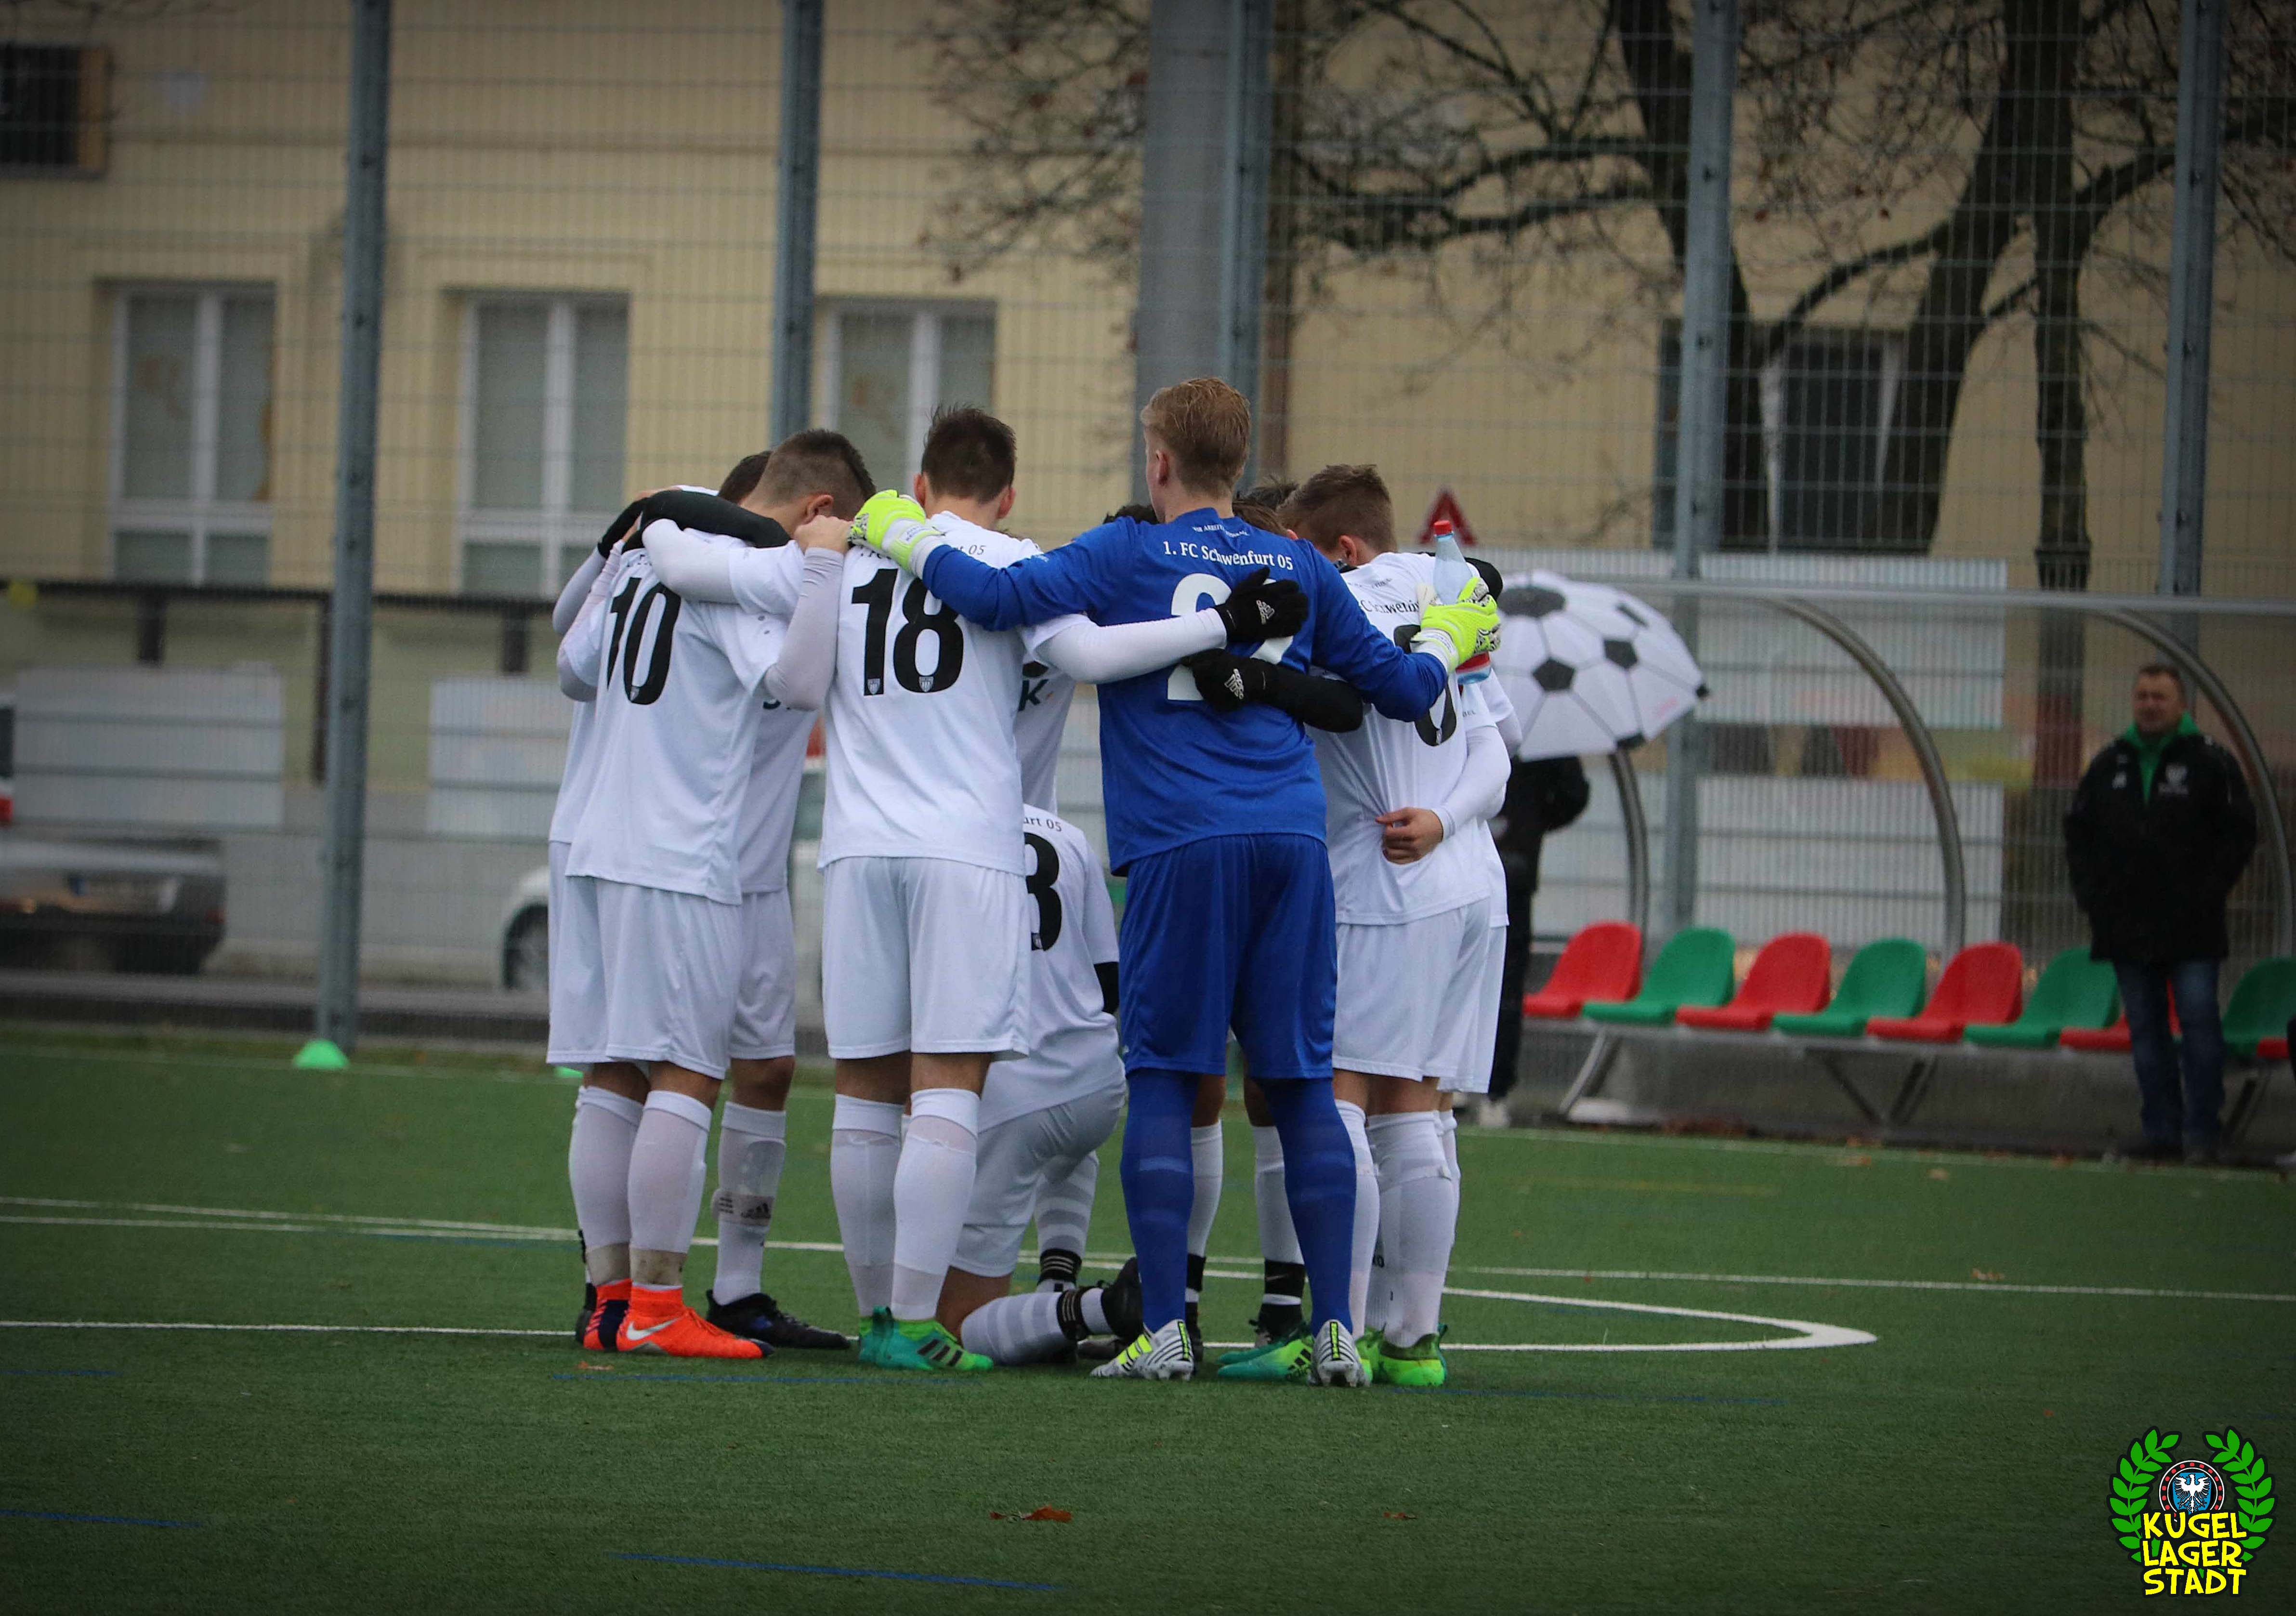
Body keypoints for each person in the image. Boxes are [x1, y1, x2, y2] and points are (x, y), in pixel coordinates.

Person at [859, 376, 1498, 1384]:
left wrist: (901, 532)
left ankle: (1165, 1328)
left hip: (1179, 845)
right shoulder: (1293, 558)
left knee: (1164, 1076)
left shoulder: (1127, 551)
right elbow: (1406, 688)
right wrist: (1456, 628)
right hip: (1291, 844)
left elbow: (994, 599)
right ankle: (1335, 1328)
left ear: (1157, 461)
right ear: (1238, 464)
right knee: (1300, 1084)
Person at [643, 406, 1246, 1372]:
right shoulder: (1018, 565)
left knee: (864, 1091)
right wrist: (1219, 624)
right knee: (948, 1086)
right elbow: (1090, 658)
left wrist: (658, 512)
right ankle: (917, 1321)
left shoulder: (844, 552)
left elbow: (690, 567)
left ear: (919, 485)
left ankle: (878, 1317)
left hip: (857, 849)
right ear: (1006, 494)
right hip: (967, 851)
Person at [1213, 463, 1509, 1389]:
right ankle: (1409, 1338)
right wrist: (1446, 818)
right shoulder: (1447, 587)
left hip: (1384, 876)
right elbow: (1495, 750)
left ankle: (1335, 1328)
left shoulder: (1331, 603)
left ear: (1340, 548)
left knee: (1335, 1100)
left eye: (1300, 551)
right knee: (1418, 1106)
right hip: (1470, 877)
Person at [551, 482, 851, 1357]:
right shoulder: (727, 573)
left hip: (600, 845)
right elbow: (798, 682)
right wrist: (822, 569)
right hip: (681, 856)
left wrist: (620, 549)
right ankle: (655, 1305)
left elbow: (571, 667)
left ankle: (612, 1300)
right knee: (686, 1074)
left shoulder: (643, 563)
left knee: (613, 1073)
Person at [936, 803, 1141, 1364]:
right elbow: (1109, 980)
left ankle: (1098, 1308)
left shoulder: (941, 827)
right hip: (1097, 1079)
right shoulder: (1068, 835)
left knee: (952, 1325)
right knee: (1066, 1142)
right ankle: (1057, 1280)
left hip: (1012, 1098)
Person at [2064, 662, 2257, 1164]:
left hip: (2193, 926)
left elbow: (2240, 832)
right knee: (2146, 1033)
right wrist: (2094, 899)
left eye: (2160, 697)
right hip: (2127, 927)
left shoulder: (2211, 761)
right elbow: (2078, 834)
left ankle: (2203, 1134)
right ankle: (2161, 1134)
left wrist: (2209, 890)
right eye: (2143, 696)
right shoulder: (2109, 762)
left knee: (2198, 1024)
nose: (2150, 705)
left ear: (2181, 705)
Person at [1483, 753, 1589, 1123]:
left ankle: (1452, 1082)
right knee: (1506, 986)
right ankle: (1493, 1090)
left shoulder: (1466, 722)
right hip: (1515, 866)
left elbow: (1573, 793)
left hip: (1468, 868)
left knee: (1467, 979)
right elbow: (1574, 793)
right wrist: (1532, 823)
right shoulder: (1542, 735)